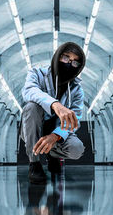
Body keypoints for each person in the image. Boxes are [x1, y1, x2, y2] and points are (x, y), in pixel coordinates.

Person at [20, 41, 86, 184]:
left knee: (77, 149)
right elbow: (29, 90)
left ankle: (52, 155)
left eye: (75, 63)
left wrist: (56, 136)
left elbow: (75, 120)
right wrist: (55, 104)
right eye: (66, 58)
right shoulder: (37, 73)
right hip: (33, 127)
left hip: (56, 132)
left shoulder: (77, 90)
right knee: (31, 107)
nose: (69, 64)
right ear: (57, 57)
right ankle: (34, 163)